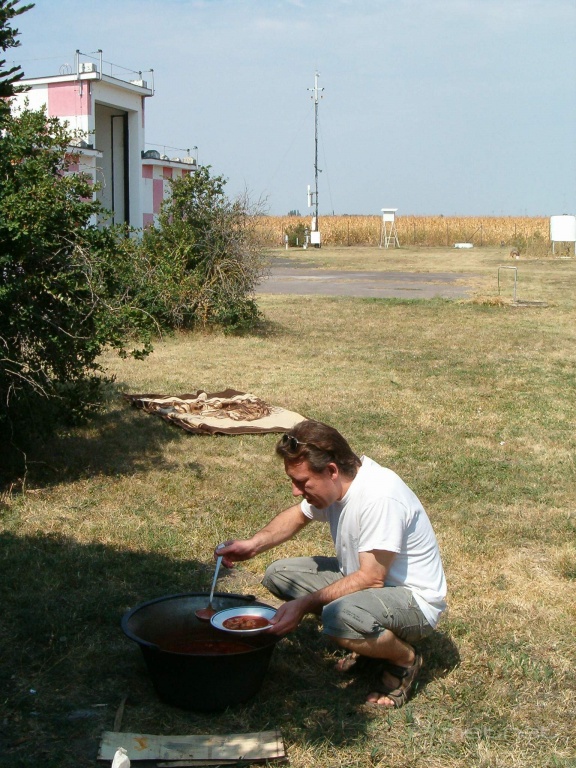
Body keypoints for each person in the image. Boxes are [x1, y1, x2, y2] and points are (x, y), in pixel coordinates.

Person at [217, 419, 447, 708]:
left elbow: (371, 578)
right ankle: (368, 642)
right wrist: (253, 545)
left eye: (302, 482)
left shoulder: (380, 496)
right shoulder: (339, 487)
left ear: (332, 471)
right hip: (372, 588)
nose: (296, 491)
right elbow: (299, 515)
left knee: (338, 616)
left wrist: (303, 605)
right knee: (280, 574)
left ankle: (404, 658)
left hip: (414, 602)